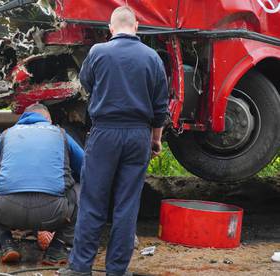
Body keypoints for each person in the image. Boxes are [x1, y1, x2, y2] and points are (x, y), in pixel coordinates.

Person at [63, 6, 169, 276]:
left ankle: (79, 268)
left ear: (111, 28)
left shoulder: (98, 52)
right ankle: (117, 271)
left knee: (93, 201)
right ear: (136, 27)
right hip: (138, 136)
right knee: (127, 205)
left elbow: (86, 84)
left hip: (105, 133)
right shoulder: (152, 58)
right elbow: (160, 109)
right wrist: (155, 140)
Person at [0, 103, 84, 265]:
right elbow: (88, 171)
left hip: (6, 210)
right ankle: (56, 249)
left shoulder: (7, 134)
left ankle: (7, 244)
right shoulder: (61, 134)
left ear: (23, 118)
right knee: (84, 192)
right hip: (53, 211)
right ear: (48, 119)